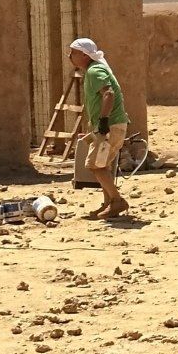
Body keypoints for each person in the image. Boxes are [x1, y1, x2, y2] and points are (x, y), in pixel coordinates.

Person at [68, 37, 131, 219]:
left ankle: (117, 201)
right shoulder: (94, 70)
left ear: (84, 55)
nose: (70, 56)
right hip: (111, 125)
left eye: (73, 52)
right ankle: (108, 204)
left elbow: (108, 94)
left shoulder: (94, 71)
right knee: (103, 165)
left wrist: (103, 121)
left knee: (95, 165)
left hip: (109, 126)